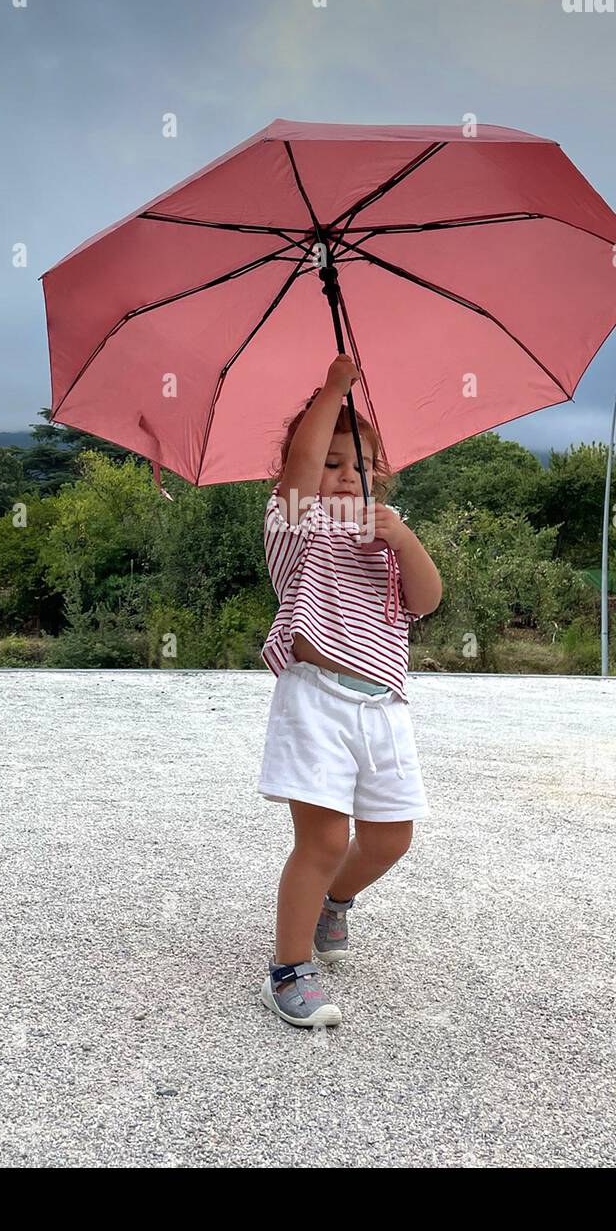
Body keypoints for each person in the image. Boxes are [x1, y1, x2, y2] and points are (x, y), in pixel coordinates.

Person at [257, 353, 443, 1027]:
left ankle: (333, 904)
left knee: (391, 838)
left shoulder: (384, 535)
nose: (340, 476)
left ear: (381, 473)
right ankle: (287, 967)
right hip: (316, 700)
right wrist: (332, 390)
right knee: (324, 838)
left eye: (355, 464)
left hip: (383, 704)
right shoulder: (295, 530)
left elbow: (426, 600)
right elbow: (298, 476)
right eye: (329, 463)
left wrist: (405, 541)